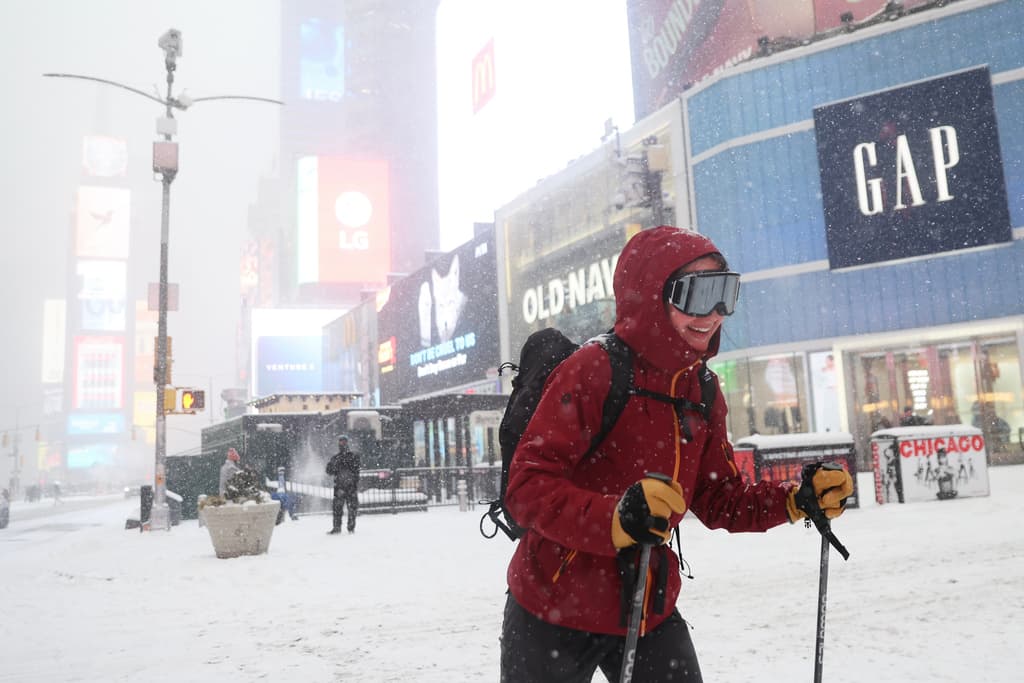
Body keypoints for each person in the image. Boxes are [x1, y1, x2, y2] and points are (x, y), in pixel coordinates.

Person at [500, 226, 854, 682]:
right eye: (694, 294)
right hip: (552, 605)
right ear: (650, 296)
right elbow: (527, 487)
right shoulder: (593, 370)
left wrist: (794, 500)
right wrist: (615, 517)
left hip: (646, 603)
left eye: (724, 293)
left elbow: (718, 497)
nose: (713, 314)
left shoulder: (701, 389)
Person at [326, 435, 360, 534]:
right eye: (341, 442)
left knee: (345, 508)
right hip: (345, 486)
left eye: (343, 441)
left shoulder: (338, 458)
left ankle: (344, 527)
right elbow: (329, 471)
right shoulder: (350, 456)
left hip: (344, 486)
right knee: (345, 508)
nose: (342, 444)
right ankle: (346, 527)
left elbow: (329, 471)